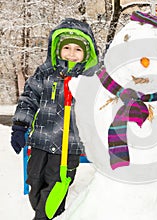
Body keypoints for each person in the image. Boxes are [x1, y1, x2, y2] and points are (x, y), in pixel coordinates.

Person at [10, 18, 99, 219]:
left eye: (78, 49)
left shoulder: (89, 80)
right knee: (35, 186)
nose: (71, 53)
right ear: (56, 48)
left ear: (87, 53)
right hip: (41, 141)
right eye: (66, 47)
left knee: (56, 188)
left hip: (69, 147)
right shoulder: (44, 74)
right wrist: (19, 126)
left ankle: (45, 217)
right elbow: (28, 99)